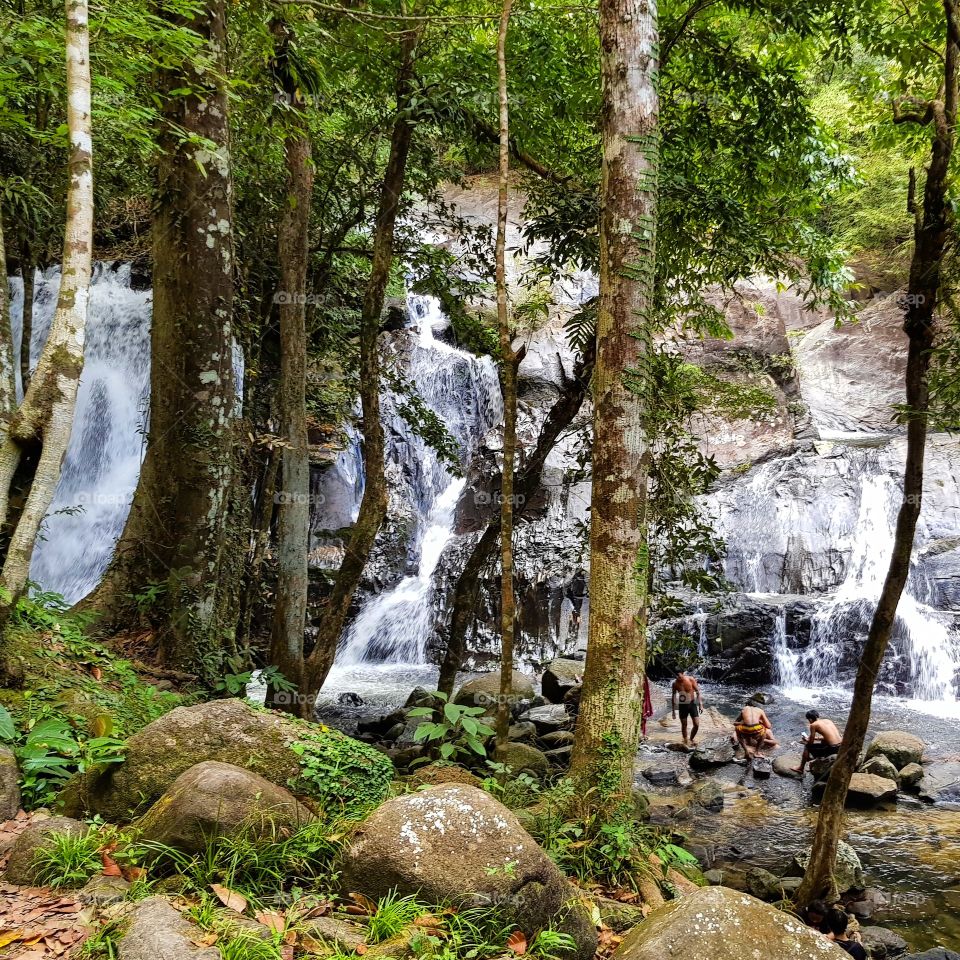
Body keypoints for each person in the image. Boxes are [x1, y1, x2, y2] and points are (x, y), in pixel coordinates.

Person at [792, 709, 843, 775]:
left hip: (833, 748)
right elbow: (829, 736)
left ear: (810, 719)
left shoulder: (813, 725)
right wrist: (816, 738)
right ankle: (816, 758)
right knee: (824, 740)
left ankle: (801, 768)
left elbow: (811, 743)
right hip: (840, 746)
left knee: (807, 747)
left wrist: (806, 741)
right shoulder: (828, 720)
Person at [671, 670, 703, 746]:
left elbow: (698, 692)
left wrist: (701, 705)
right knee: (684, 725)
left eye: (679, 676)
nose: (678, 678)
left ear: (683, 674)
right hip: (682, 705)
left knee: (696, 724)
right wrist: (673, 711)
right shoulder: (675, 684)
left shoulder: (690, 679)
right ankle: (685, 741)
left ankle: (691, 739)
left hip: (692, 704)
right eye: (676, 676)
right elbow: (674, 696)